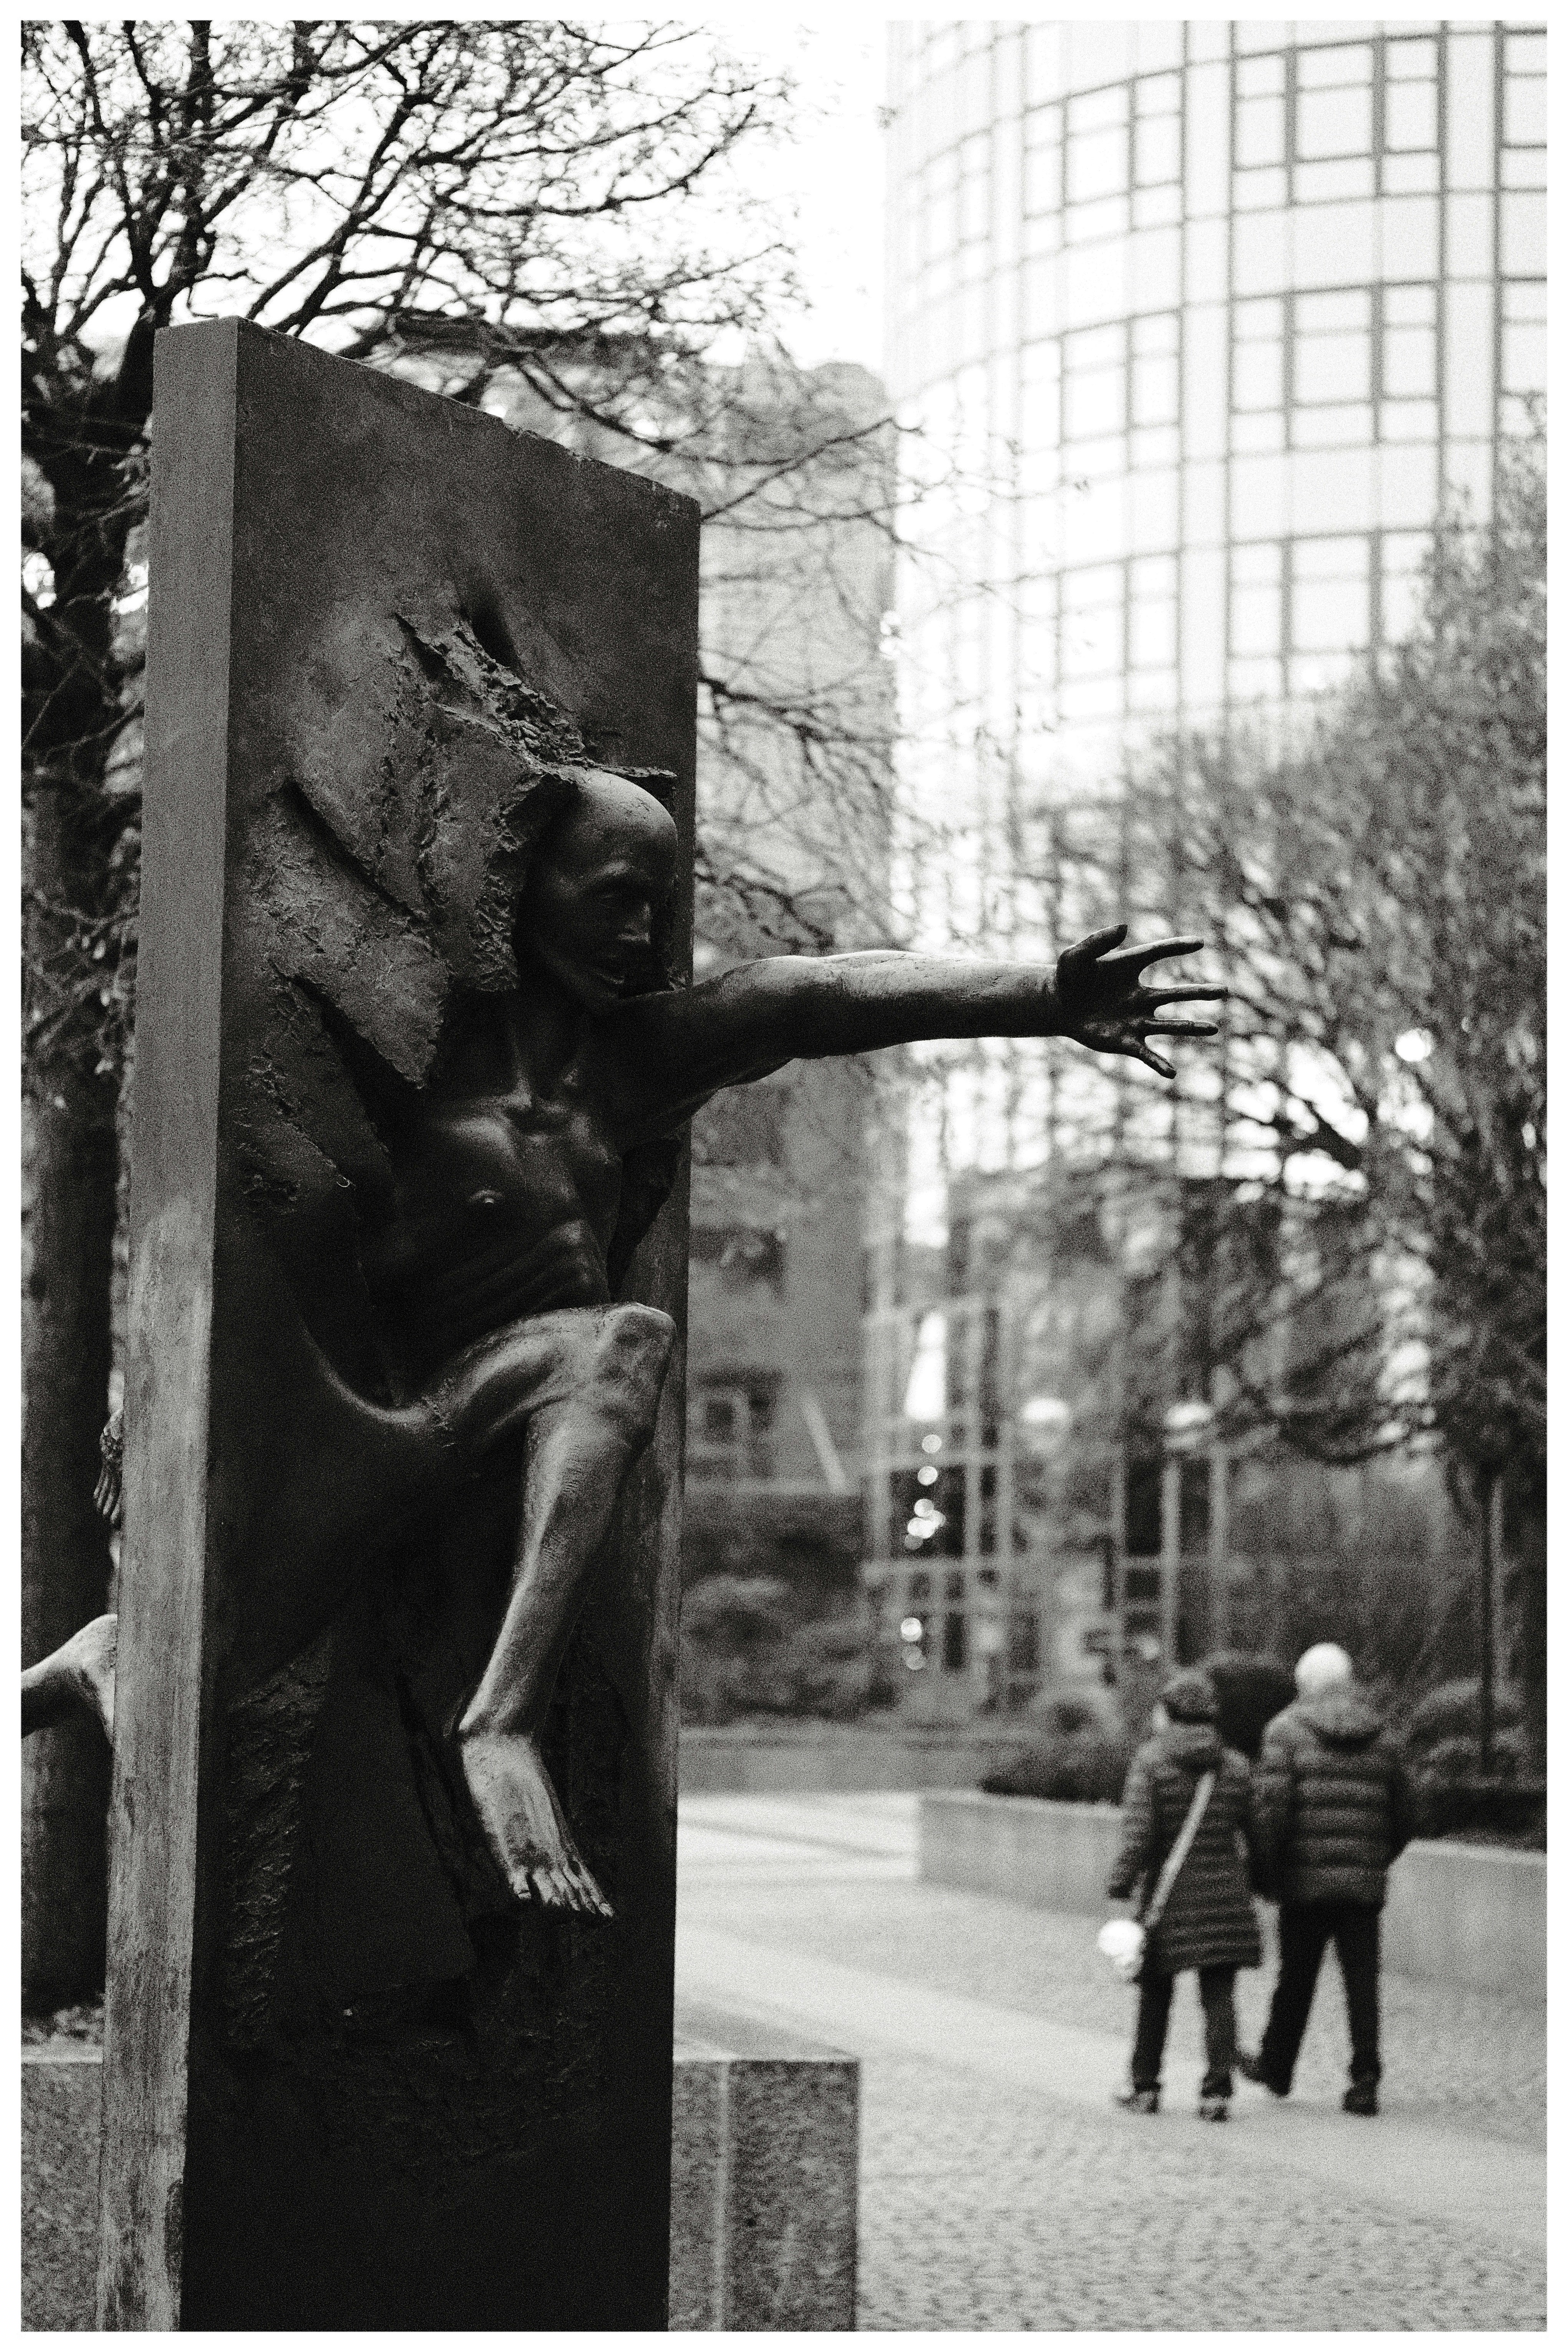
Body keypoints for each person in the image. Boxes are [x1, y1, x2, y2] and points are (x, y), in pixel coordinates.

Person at [331, 767, 1223, 1914]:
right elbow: (276, 1231)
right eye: (611, 897)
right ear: (522, 881)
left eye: (656, 902)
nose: (641, 934)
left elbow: (814, 996)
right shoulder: (412, 1064)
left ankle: (491, 1711)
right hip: (407, 1422)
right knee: (614, 1346)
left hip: (529, 1446)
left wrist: (1042, 992)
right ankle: (484, 1721)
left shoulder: (627, 1068)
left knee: (611, 1345)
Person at [1240, 1641, 1417, 2117]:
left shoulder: (1284, 1730)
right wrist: (1374, 1859)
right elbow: (1405, 1815)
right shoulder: (1382, 1735)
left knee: (1294, 1977)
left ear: (1304, 1685)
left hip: (1303, 1881)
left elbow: (1270, 1814)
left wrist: (1269, 1872)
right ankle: (1364, 2079)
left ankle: (1276, 2068)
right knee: (1362, 1982)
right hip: (1362, 1885)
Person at [1106, 1665, 1261, 2121]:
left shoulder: (1151, 1762)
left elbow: (1138, 1836)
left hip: (1167, 1899)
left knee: (1155, 1992)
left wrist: (1119, 1885)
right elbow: (1255, 1833)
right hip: (1224, 1897)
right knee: (1218, 1996)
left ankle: (1145, 2087)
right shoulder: (1234, 1766)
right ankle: (1216, 2093)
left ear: (1166, 1714)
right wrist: (1263, 1882)